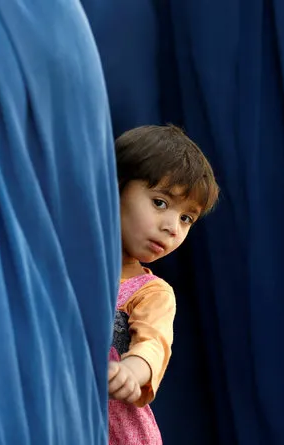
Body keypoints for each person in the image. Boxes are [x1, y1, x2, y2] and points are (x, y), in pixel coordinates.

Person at [107, 125, 220, 444]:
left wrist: (132, 371)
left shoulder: (152, 292)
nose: (173, 227)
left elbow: (154, 343)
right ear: (115, 186)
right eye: (160, 202)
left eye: (187, 218)